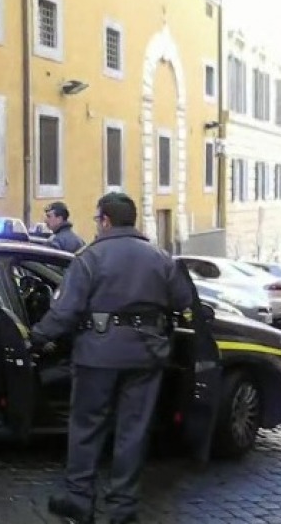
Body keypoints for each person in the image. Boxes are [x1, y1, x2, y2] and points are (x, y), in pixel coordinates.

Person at [29, 192, 195, 524]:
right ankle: (123, 507)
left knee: (87, 427)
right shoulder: (161, 257)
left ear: (105, 220)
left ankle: (80, 499)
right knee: (133, 430)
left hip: (98, 356)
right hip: (146, 356)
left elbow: (65, 311)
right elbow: (183, 300)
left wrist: (36, 337)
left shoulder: (89, 258)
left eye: (97, 219)